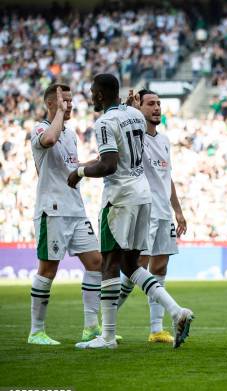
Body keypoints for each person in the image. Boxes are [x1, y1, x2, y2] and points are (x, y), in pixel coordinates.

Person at [68, 73, 194, 349]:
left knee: (110, 264)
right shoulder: (135, 117)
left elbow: (108, 165)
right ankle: (177, 311)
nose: (90, 96)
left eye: (92, 92)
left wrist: (79, 172)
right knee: (130, 265)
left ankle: (108, 337)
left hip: (120, 198)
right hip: (143, 195)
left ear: (100, 94)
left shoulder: (104, 122)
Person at [28, 83, 103, 345]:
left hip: (76, 210)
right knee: (48, 270)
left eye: (70, 101)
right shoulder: (39, 130)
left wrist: (96, 164)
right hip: (53, 211)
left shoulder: (70, 134)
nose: (69, 105)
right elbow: (49, 140)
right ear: (51, 103)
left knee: (96, 263)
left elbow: (72, 167)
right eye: (64, 101)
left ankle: (91, 328)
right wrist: (59, 113)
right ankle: (36, 331)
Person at [115, 89, 188, 344]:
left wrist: (178, 210)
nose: (157, 108)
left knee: (160, 267)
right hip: (144, 211)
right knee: (137, 266)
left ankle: (156, 330)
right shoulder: (137, 138)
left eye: (159, 103)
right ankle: (108, 318)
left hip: (164, 212)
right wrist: (129, 108)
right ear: (140, 108)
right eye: (150, 104)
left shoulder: (165, 140)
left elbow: (167, 178)